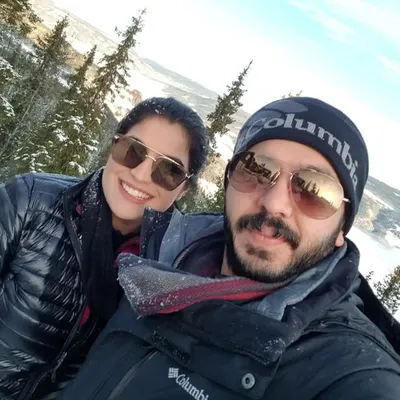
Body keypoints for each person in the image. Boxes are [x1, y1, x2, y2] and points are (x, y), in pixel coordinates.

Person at [59, 97, 400, 400]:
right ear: (229, 182)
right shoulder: (158, 259)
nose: (274, 203)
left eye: (314, 190)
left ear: (342, 228)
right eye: (257, 169)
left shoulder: (347, 368)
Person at [0, 96, 208, 399]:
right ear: (114, 145)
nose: (140, 175)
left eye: (169, 170)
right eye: (133, 151)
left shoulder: (173, 271)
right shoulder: (30, 202)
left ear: (184, 188)